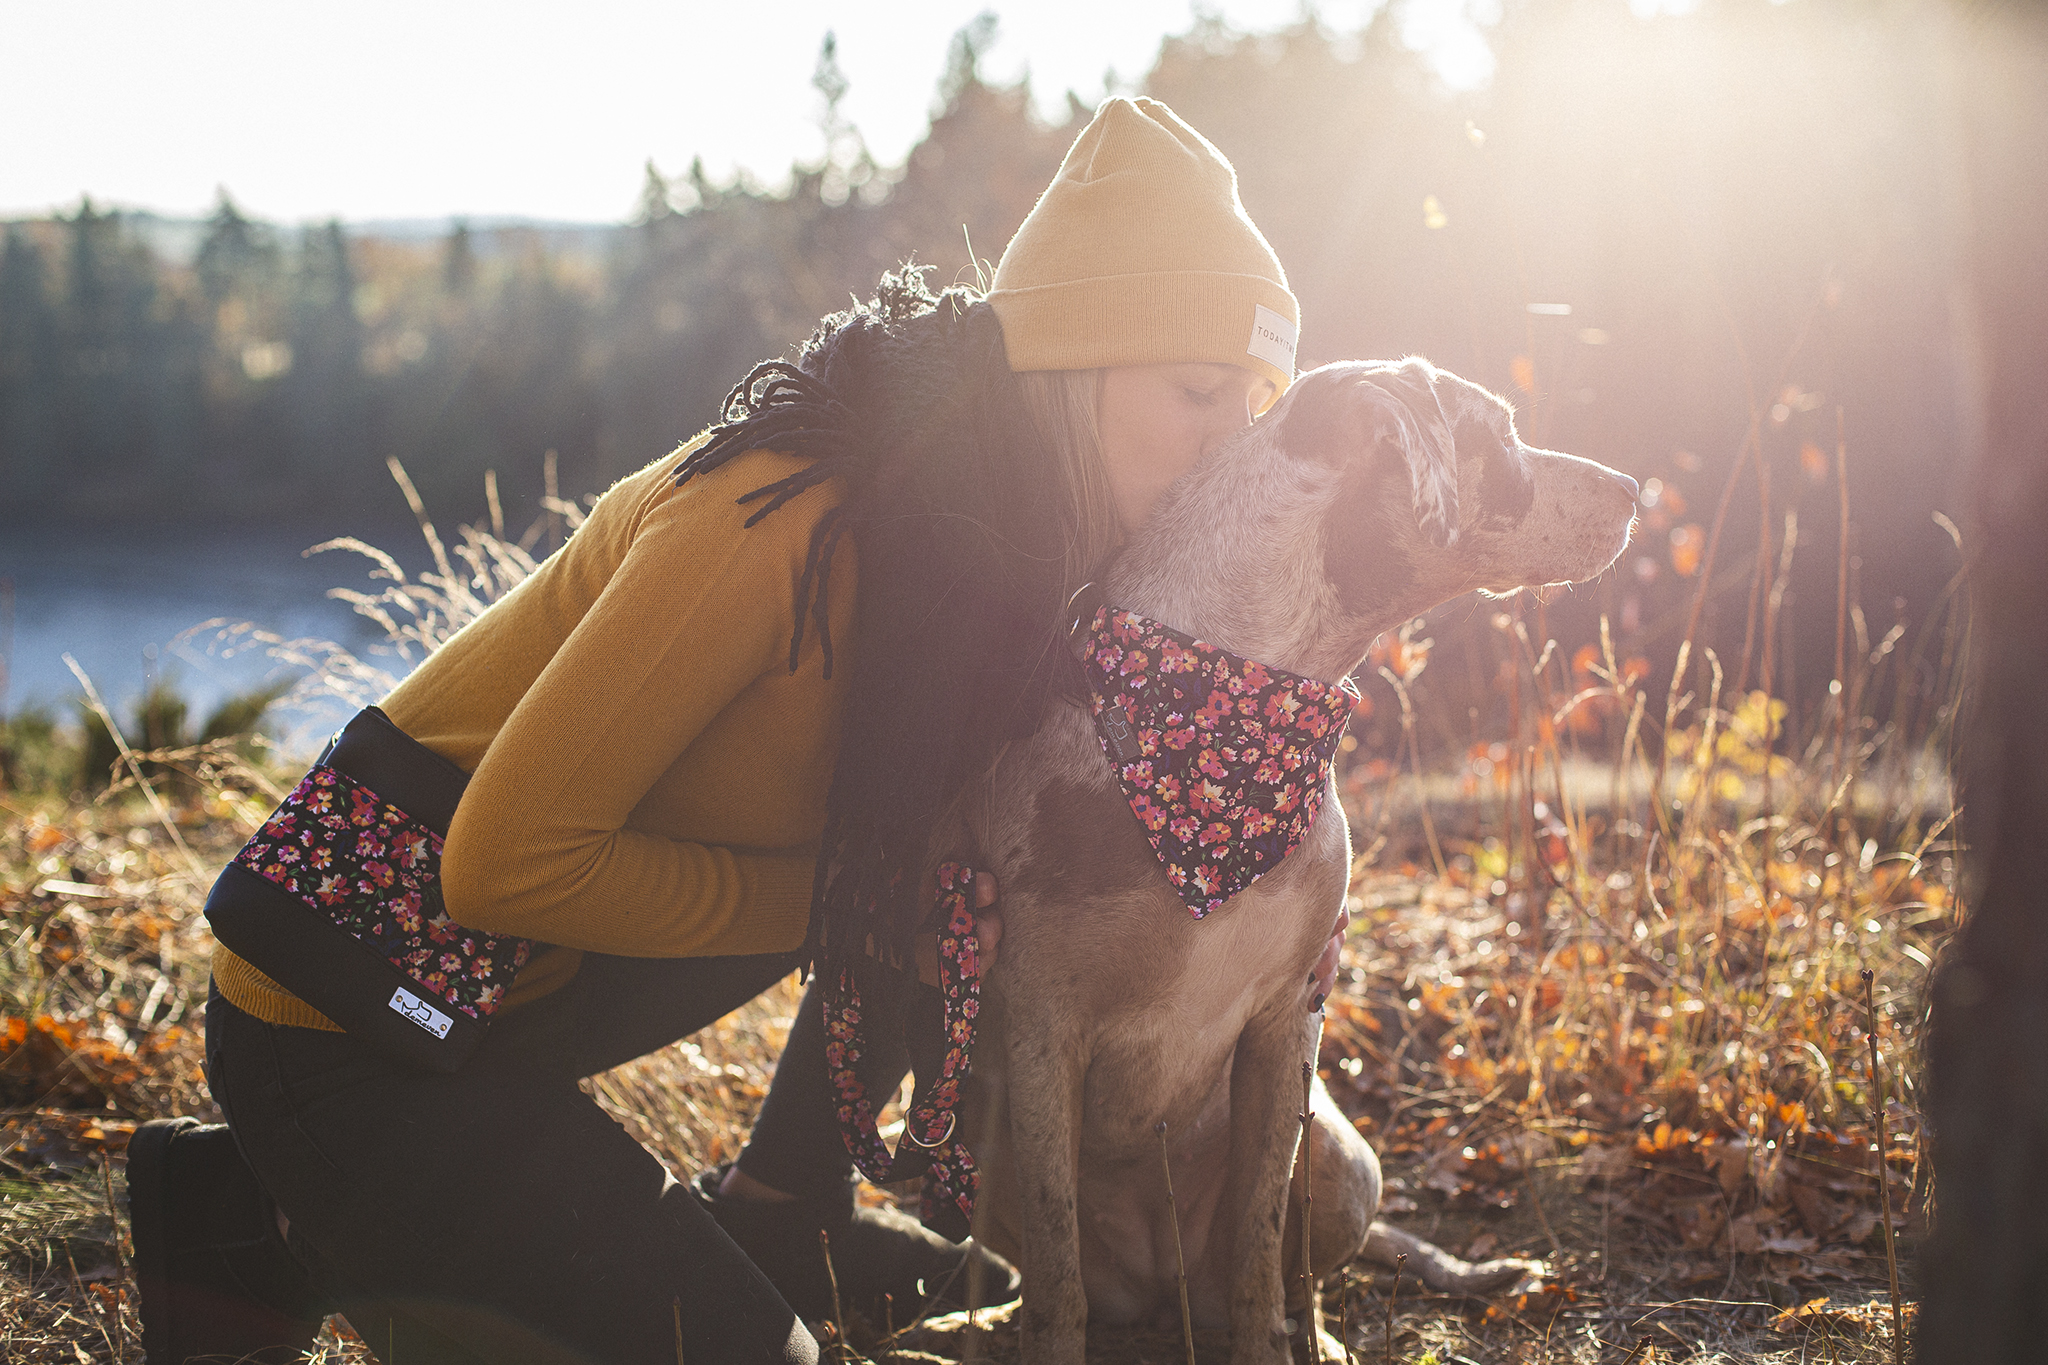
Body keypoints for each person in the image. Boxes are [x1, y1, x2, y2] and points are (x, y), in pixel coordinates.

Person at [129, 95, 1329, 1365]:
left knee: (925, 852)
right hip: (348, 1017)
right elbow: (504, 863)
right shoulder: (778, 517)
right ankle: (272, 1208)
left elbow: (927, 876)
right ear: (1064, 371)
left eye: (1251, 411)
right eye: (1198, 392)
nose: (1227, 454)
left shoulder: (999, 572)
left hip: (514, 1009)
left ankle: (768, 1206)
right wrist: (844, 904)